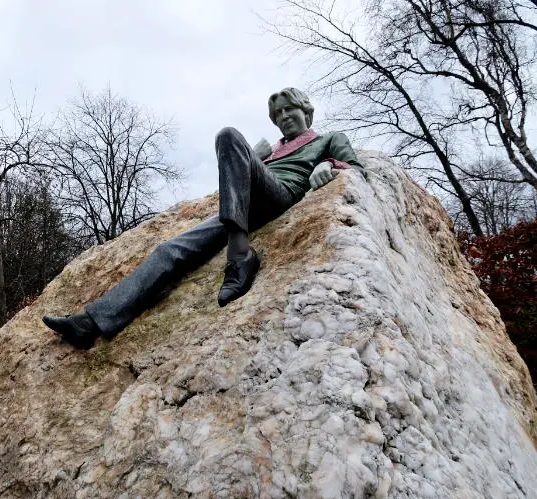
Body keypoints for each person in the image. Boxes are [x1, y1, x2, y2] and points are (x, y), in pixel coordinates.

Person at [43, 88, 364, 349]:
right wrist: (254, 156)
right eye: (277, 114)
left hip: (281, 195)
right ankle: (91, 323)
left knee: (228, 134)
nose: (283, 117)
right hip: (241, 207)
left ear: (306, 111)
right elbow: (233, 180)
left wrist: (330, 166)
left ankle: (240, 256)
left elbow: (358, 168)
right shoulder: (269, 150)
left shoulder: (328, 139)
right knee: (169, 250)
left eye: (289, 109)